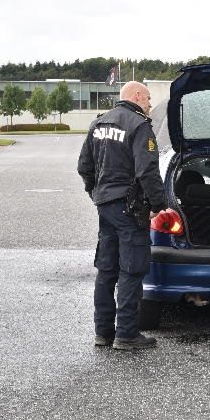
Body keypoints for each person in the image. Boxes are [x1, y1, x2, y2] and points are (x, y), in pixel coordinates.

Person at [78, 81, 170, 349]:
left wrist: (97, 194)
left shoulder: (99, 124)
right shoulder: (139, 125)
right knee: (131, 268)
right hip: (130, 209)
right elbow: (147, 171)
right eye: (149, 99)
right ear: (137, 95)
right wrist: (159, 204)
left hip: (106, 206)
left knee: (107, 269)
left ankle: (103, 332)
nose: (150, 104)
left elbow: (84, 166)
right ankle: (127, 334)